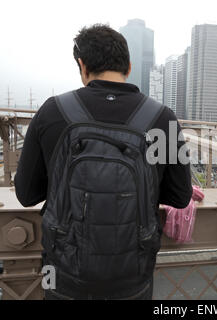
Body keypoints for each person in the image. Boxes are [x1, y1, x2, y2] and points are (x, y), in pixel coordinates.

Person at [14, 24, 192, 300]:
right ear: (129, 67)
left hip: (62, 275)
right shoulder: (162, 118)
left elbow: (26, 195)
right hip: (133, 278)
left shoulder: (53, 111)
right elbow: (181, 197)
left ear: (82, 65)